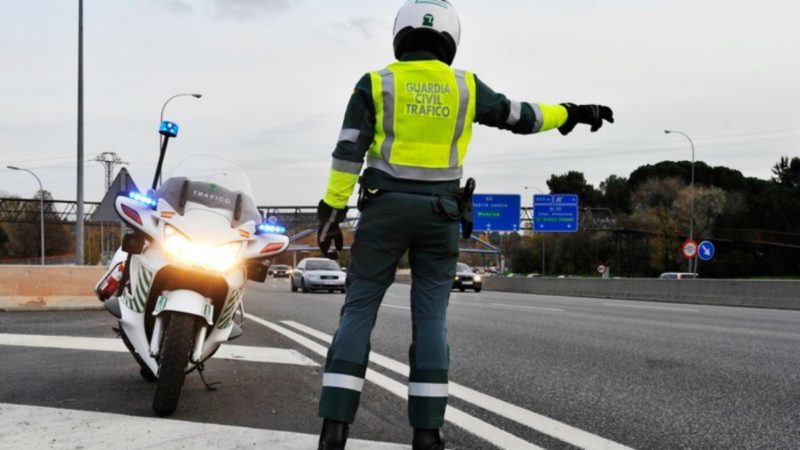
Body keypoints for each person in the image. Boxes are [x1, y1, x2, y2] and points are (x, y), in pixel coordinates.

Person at [315, 1, 614, 449]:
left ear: (401, 35)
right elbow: (522, 115)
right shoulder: (465, 87)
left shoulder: (376, 83)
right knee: (431, 319)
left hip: (383, 210)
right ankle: (428, 433)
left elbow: (347, 152)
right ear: (450, 39)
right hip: (440, 216)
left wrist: (331, 211)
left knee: (358, 311)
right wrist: (571, 112)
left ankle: (335, 427)